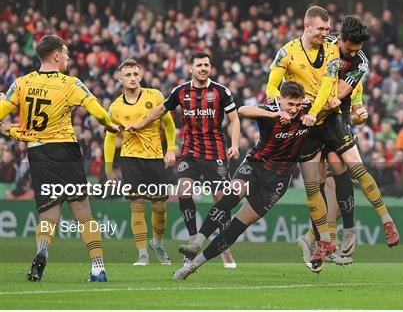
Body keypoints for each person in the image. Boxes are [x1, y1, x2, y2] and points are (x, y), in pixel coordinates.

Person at [0, 35, 120, 282]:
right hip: (65, 151)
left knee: (48, 216)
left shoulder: (21, 83)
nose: (67, 57)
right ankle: (98, 268)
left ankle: (42, 249)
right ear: (56, 55)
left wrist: (9, 129)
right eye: (65, 53)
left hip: (37, 154)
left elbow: (2, 112)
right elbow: (96, 110)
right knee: (83, 213)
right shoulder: (70, 83)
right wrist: (110, 126)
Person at [173, 81, 308, 280]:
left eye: (298, 105)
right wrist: (273, 114)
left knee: (235, 227)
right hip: (255, 166)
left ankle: (193, 265)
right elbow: (243, 109)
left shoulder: (307, 113)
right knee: (228, 199)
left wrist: (313, 115)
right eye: (290, 104)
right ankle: (196, 243)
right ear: (280, 100)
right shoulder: (270, 111)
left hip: (277, 182)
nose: (294, 109)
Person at [297, 16, 400, 269]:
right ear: (340, 39)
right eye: (350, 48)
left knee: (349, 169)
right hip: (310, 114)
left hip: (335, 116)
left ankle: (382, 222)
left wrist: (358, 115)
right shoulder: (325, 45)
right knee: (320, 182)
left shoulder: (360, 63)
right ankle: (323, 240)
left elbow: (341, 95)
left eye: (358, 49)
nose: (354, 53)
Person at [127, 52, 240, 268]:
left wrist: (234, 145)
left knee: (221, 201)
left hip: (215, 153)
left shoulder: (220, 91)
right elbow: (161, 109)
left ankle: (225, 248)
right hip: (190, 151)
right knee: (184, 192)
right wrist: (141, 124)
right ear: (190, 69)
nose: (203, 68)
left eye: (207, 64)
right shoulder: (181, 91)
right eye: (199, 65)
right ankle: (192, 241)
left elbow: (234, 119)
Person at [265, 6, 341, 271]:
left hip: (327, 119)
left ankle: (312, 239)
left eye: (328, 29)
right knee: (315, 185)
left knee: (341, 186)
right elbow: (271, 87)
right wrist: (283, 106)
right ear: (306, 26)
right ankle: (323, 244)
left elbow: (329, 85)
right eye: (321, 28)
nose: (325, 33)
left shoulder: (332, 50)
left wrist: (318, 110)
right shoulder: (287, 53)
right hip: (303, 126)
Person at [104, 59, 176, 266]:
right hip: (130, 159)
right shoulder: (115, 107)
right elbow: (110, 136)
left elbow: (169, 124)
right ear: (120, 78)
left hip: (154, 158)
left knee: (160, 208)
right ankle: (142, 254)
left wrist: (170, 149)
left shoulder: (155, 96)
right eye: (128, 75)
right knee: (136, 206)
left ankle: (158, 243)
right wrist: (109, 167)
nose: (132, 78)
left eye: (135, 74)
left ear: (141, 76)